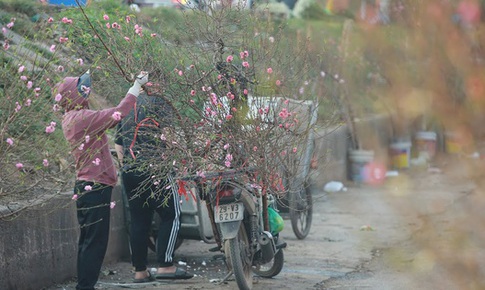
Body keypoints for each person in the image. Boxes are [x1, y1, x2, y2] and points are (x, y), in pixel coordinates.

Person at [55, 70, 149, 290]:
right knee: (95, 243)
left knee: (88, 242)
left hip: (87, 186)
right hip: (95, 186)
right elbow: (119, 113)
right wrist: (136, 86)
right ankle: (86, 286)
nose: (85, 90)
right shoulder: (83, 118)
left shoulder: (72, 117)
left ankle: (85, 285)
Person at [114, 93, 193, 282]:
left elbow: (118, 145)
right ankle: (166, 266)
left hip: (130, 171)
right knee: (171, 215)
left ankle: (140, 271)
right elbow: (170, 137)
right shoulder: (159, 102)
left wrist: (129, 166)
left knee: (139, 221)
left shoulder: (126, 104)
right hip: (157, 169)